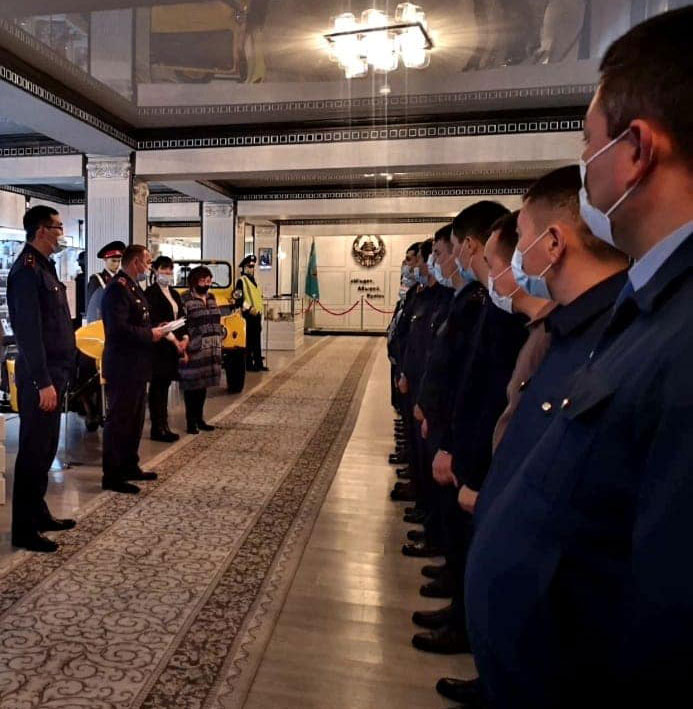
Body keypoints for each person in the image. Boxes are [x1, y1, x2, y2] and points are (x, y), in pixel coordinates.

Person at [465, 8, 693, 708]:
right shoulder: (651, 307)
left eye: (588, 142)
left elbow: (666, 620)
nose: (583, 163)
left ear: (636, 150)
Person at [438, 167, 628, 707]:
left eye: (520, 239)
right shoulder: (565, 329)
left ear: (553, 243)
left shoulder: (612, 334)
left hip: (560, 636)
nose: (516, 258)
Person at [7, 205, 77, 552]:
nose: (62, 233)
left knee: (47, 448)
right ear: (41, 230)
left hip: (55, 372)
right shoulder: (26, 271)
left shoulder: (45, 267)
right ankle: (23, 529)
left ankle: (39, 513)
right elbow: (29, 334)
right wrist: (43, 382)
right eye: (58, 227)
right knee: (33, 452)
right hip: (41, 377)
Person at [101, 245, 167, 494]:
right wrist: (150, 334)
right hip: (122, 365)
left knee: (135, 419)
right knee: (120, 420)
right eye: (147, 262)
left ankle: (129, 465)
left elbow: (139, 320)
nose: (149, 267)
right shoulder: (117, 289)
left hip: (138, 364)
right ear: (136, 262)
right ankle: (113, 475)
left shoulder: (132, 287)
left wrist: (157, 329)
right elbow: (118, 329)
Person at [145, 255, 188, 442]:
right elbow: (155, 321)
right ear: (155, 271)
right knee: (158, 387)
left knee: (165, 385)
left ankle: (164, 425)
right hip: (159, 346)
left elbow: (181, 318)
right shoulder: (150, 293)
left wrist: (184, 338)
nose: (168, 273)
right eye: (164, 269)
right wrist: (173, 340)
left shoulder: (174, 293)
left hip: (173, 347)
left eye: (170, 269)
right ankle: (158, 427)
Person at [180, 266, 223, 434]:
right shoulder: (185, 299)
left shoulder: (211, 298)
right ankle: (190, 422)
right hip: (194, 348)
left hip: (211, 348)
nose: (206, 284)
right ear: (194, 281)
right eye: (202, 281)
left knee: (203, 385)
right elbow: (182, 323)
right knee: (192, 386)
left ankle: (200, 419)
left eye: (209, 281)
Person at [236, 254, 267, 371]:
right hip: (248, 315)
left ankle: (258, 363)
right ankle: (249, 364)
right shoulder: (241, 281)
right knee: (248, 341)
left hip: (257, 315)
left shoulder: (255, 281)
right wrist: (249, 309)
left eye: (253, 266)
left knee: (257, 341)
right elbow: (239, 300)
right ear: (244, 267)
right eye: (249, 266)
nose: (252, 269)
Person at [86, 240, 126, 322]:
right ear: (105, 259)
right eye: (113, 261)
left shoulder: (121, 279)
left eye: (119, 261)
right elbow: (93, 309)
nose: (117, 264)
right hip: (104, 323)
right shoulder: (97, 280)